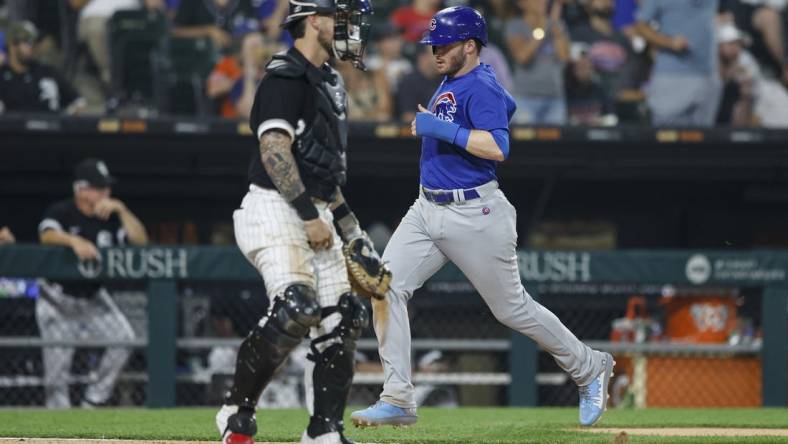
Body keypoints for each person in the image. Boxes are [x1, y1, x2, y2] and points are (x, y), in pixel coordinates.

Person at [350, 6, 614, 429]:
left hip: (475, 212)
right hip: (425, 209)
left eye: (445, 44)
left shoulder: (479, 84)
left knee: (512, 309)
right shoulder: (460, 78)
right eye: (432, 44)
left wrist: (441, 129)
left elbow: (498, 147)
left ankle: (589, 366)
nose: (436, 51)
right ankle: (397, 397)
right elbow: (505, 103)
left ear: (470, 46)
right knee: (386, 288)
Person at [213, 1, 375, 443]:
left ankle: (323, 431)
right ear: (314, 20)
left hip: (316, 208)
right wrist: (308, 216)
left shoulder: (330, 80)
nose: (350, 29)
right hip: (274, 206)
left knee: (344, 316)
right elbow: (273, 151)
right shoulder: (285, 75)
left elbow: (322, 168)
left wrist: (351, 229)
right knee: (297, 307)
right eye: (341, 20)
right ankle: (236, 411)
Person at [36, 158, 148, 408]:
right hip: (57, 298)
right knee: (56, 373)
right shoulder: (62, 211)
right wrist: (73, 242)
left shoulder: (109, 218)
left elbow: (140, 241)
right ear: (82, 190)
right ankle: (58, 425)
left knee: (125, 338)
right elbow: (46, 234)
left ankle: (93, 401)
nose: (106, 192)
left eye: (107, 188)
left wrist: (121, 209)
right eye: (100, 188)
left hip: (93, 297)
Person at [635, 0, 720, 127]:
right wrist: (670, 42)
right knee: (667, 137)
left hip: (708, 74)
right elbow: (641, 27)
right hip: (673, 74)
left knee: (705, 140)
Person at [505, 0, 571, 124]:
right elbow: (522, 57)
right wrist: (542, 29)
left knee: (557, 143)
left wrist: (555, 29)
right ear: (522, 3)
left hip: (554, 97)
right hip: (525, 98)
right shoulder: (515, 25)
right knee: (525, 143)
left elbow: (564, 58)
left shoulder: (558, 25)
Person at [0, 21, 86, 115]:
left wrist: (68, 115)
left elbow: (78, 101)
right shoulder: (3, 76)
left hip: (53, 127)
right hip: (13, 129)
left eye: (36, 42)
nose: (34, 46)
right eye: (28, 42)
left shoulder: (48, 72)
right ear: (12, 45)